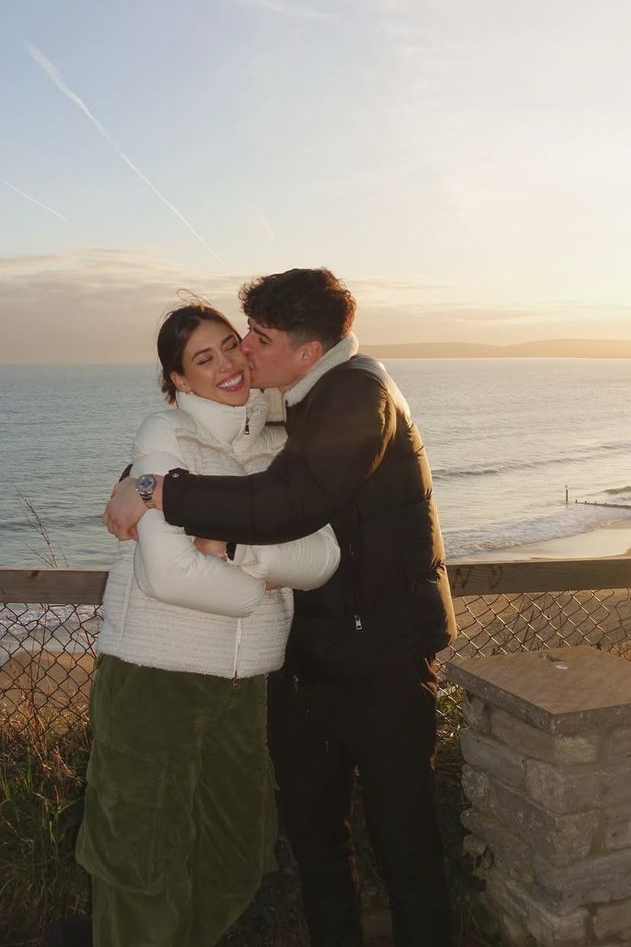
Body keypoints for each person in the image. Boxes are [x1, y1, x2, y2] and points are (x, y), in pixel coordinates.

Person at [103, 269, 458, 947]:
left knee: (405, 843)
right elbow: (200, 425)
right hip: (308, 661)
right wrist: (139, 469)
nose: (243, 353)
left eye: (257, 340)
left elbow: (285, 503)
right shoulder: (296, 394)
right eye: (236, 341)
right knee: (316, 840)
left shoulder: (357, 398)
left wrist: (159, 492)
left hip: (381, 661)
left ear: (306, 349)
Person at [56, 303, 340, 947]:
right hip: (156, 676)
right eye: (201, 360)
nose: (226, 367)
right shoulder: (164, 437)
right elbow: (169, 575)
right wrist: (258, 588)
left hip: (245, 683)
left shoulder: (280, 447)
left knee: (237, 853)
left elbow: (324, 556)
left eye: (229, 347)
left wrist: (235, 550)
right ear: (179, 380)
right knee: (141, 854)